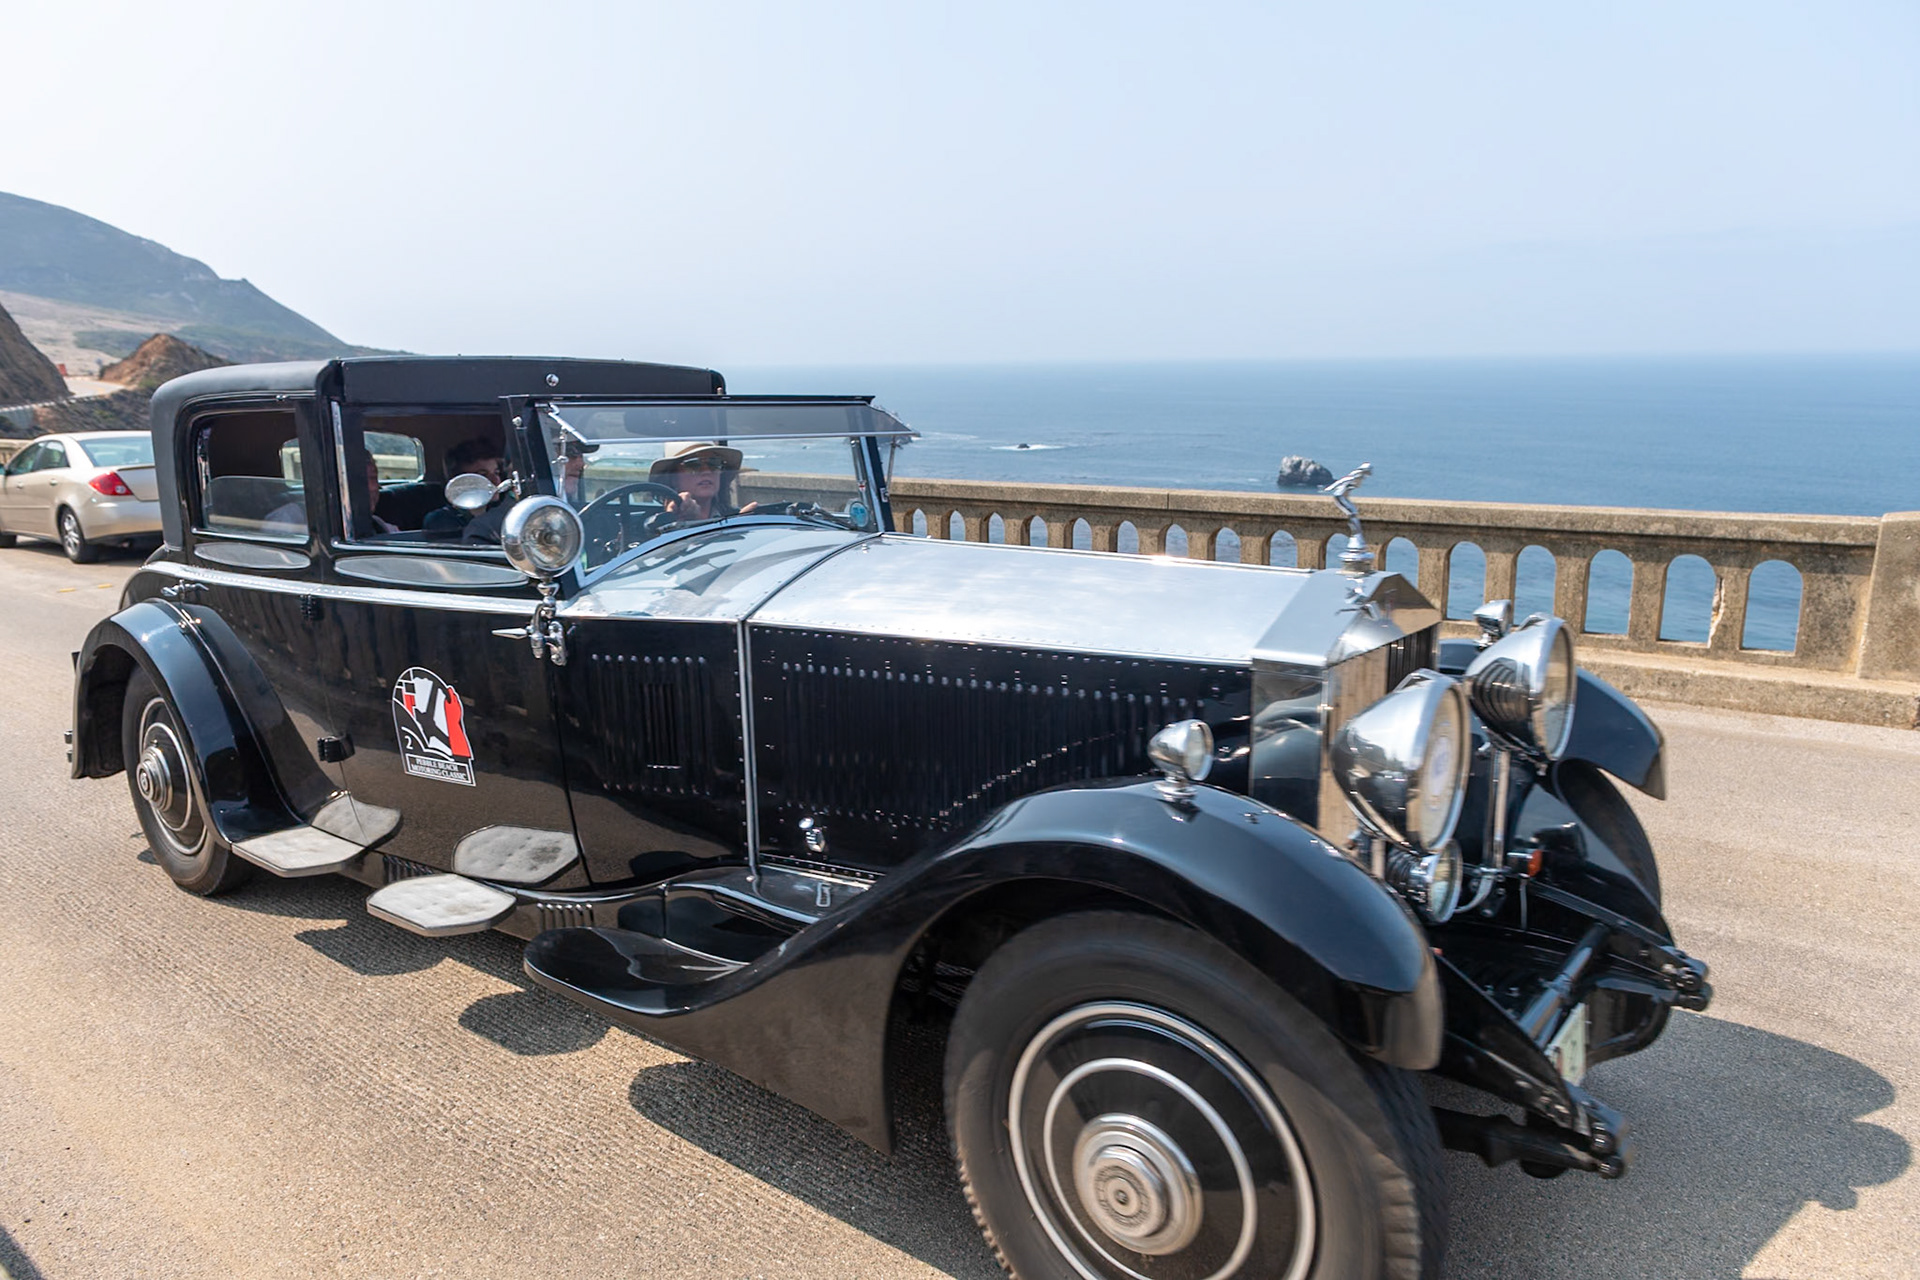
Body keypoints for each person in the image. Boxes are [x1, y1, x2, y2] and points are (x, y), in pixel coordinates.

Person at [647, 442, 752, 525]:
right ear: (672, 477)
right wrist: (672, 521)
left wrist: (741, 526)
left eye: (714, 463)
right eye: (693, 464)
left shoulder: (735, 517)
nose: (706, 471)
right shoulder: (653, 524)